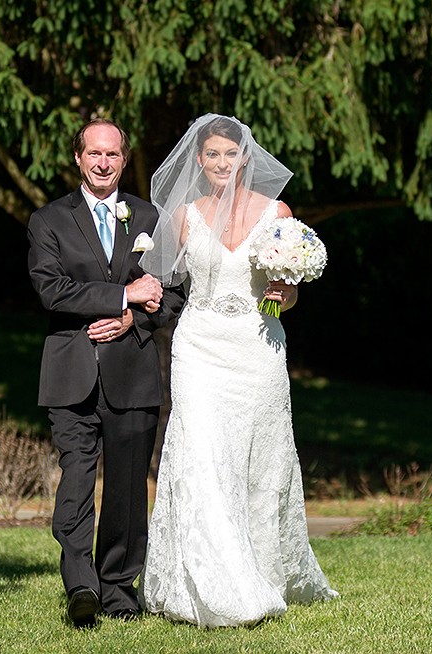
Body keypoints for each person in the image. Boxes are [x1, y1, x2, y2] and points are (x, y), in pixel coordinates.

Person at [137, 113, 338, 627]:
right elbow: (154, 284)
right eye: (212, 155)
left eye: (231, 153)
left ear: (245, 157)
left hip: (257, 345)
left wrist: (286, 295)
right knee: (202, 455)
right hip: (200, 347)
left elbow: (285, 295)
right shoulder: (183, 216)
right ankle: (207, 586)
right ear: (199, 161)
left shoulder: (278, 212)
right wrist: (119, 305)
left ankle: (261, 571)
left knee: (259, 462)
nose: (222, 163)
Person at [27, 118, 181, 627]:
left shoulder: (149, 217)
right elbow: (53, 291)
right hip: (71, 373)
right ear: (78, 158)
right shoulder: (47, 221)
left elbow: (175, 293)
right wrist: (123, 293)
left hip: (133, 372)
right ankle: (81, 586)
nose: (103, 163)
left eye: (112, 155)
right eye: (94, 153)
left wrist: (133, 315)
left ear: (124, 158)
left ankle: (118, 588)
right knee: (76, 479)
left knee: (128, 487)